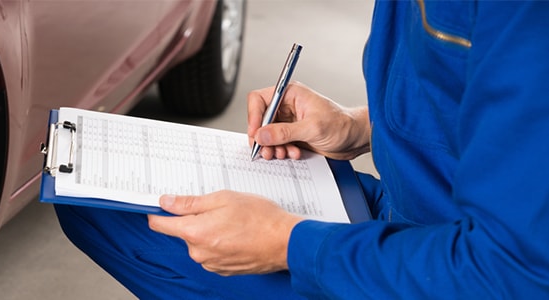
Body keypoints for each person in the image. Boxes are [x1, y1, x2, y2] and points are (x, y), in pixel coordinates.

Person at [55, 0, 549, 298]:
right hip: (407, 213)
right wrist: (359, 127)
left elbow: (512, 275)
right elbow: (474, 107)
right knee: (94, 203)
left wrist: (286, 242)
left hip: (437, 263)